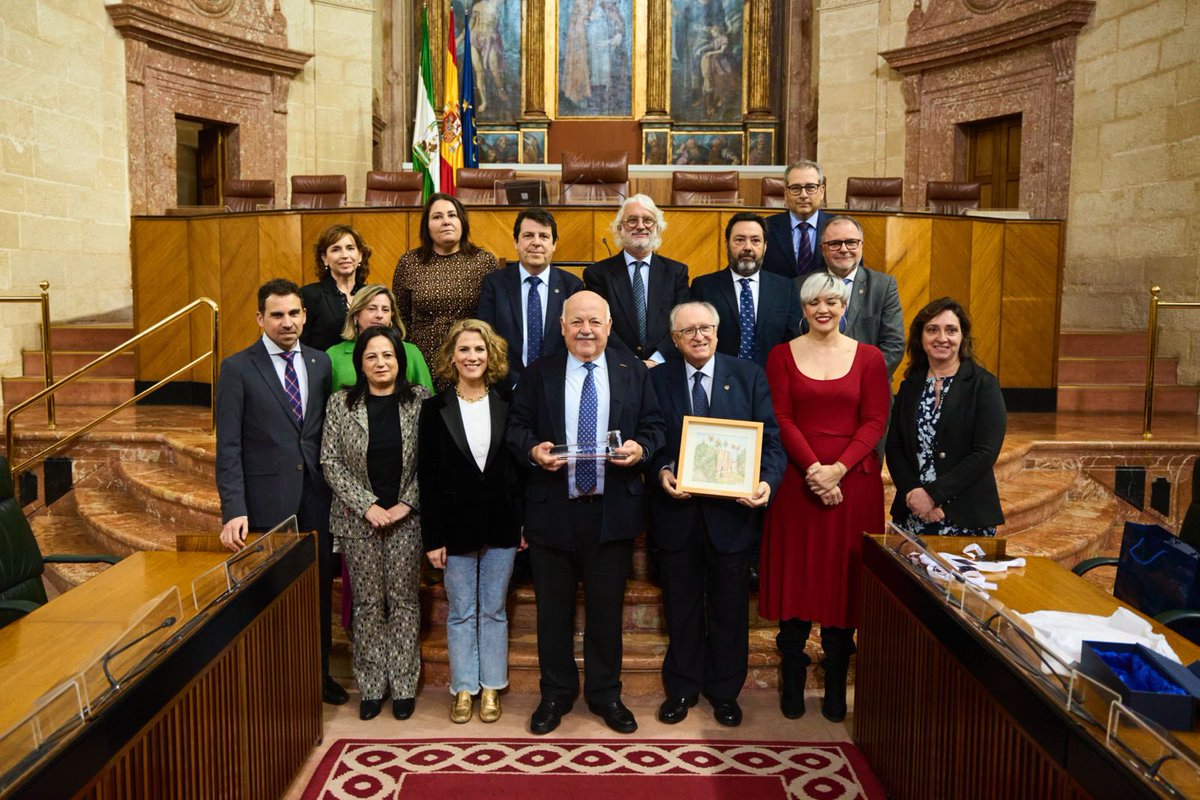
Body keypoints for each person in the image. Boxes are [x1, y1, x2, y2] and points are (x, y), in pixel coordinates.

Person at [506, 290, 665, 736]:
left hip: (611, 512)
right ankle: (555, 694)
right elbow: (516, 428)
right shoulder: (540, 373)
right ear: (562, 327)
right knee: (552, 613)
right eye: (577, 321)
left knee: (605, 612)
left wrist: (641, 448)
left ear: (609, 327)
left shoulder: (632, 370)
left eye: (594, 321)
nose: (586, 330)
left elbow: (654, 426)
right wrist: (534, 450)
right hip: (553, 510)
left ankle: (605, 694)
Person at [760, 272, 890, 723]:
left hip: (854, 485)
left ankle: (837, 678)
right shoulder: (780, 356)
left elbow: (874, 421)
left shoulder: (870, 358)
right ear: (803, 306)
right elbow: (780, 416)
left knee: (843, 585)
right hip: (799, 484)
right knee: (798, 579)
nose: (824, 309)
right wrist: (815, 468)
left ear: (844, 305)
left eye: (833, 301)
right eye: (815, 301)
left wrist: (838, 469)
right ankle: (792, 673)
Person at [648, 302, 786, 727]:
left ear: (718, 331)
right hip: (678, 515)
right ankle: (684, 688)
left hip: (733, 517)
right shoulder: (657, 379)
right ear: (674, 339)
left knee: (729, 609)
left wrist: (765, 483)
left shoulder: (748, 376)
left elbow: (773, 444)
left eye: (706, 328)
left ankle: (725, 692)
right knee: (681, 606)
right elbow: (649, 437)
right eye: (688, 330)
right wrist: (662, 470)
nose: (698, 336)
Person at [215, 278, 347, 706]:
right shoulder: (237, 368)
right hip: (265, 502)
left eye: (294, 313)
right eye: (277, 315)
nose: (287, 322)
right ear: (260, 318)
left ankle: (319, 675)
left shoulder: (319, 363)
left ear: (305, 316)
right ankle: (274, 682)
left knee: (317, 593)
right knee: (272, 596)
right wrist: (233, 508)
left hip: (317, 497)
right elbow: (229, 445)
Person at [320, 326, 429, 722]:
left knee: (401, 602)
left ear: (399, 361)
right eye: (372, 357)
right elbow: (329, 461)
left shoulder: (418, 401)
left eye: (388, 355)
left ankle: (402, 686)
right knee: (366, 605)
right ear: (360, 363)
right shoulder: (340, 404)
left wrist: (405, 505)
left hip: (406, 521)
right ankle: (371, 686)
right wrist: (367, 505)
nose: (381, 363)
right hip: (356, 521)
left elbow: (432, 461)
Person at [418, 319, 523, 724]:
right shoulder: (434, 409)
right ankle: (464, 688)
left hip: (502, 524)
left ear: (490, 355)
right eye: (464, 350)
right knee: (461, 611)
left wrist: (522, 524)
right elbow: (426, 477)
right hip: (453, 526)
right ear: (452, 357)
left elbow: (519, 473)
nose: (472, 357)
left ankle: (492, 686)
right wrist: (433, 537)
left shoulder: (509, 404)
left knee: (494, 610)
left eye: (479, 350)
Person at [886, 298, 1006, 537]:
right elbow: (895, 447)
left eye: (951, 330)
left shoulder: (983, 385)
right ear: (921, 337)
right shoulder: (910, 386)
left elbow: (985, 453)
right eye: (932, 330)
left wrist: (933, 496)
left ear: (962, 337)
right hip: (913, 513)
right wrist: (914, 492)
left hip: (965, 517)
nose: (942, 337)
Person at [476, 208, 583, 388]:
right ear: (516, 242)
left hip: (558, 386)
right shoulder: (495, 284)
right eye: (528, 236)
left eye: (544, 236)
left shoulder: (572, 286)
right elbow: (486, 338)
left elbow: (576, 341)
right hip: (505, 389)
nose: (536, 243)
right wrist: (514, 383)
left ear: (554, 243)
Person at [392, 192, 499, 371]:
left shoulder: (484, 261)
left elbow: (494, 317)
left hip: (469, 359)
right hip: (421, 359)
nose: (446, 221)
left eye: (452, 215)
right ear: (427, 226)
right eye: (437, 217)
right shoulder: (409, 262)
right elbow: (400, 318)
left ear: (462, 221)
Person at [584, 194, 689, 366]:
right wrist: (632, 363)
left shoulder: (676, 273)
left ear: (657, 228)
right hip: (617, 367)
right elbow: (599, 323)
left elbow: (683, 322)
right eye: (632, 220)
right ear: (620, 228)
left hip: (665, 367)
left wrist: (656, 360)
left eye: (648, 220)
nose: (640, 226)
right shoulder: (597, 274)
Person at [690, 212, 802, 367]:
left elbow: (795, 339)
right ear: (727, 244)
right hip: (720, 378)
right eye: (740, 240)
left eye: (755, 241)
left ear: (765, 247)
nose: (748, 247)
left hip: (770, 378)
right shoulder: (704, 286)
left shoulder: (785, 288)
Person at [804, 215, 905, 381]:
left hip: (869, 387)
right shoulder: (802, 285)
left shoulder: (883, 286)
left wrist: (854, 380)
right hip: (816, 386)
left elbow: (894, 345)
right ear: (823, 249)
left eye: (851, 242)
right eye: (835, 243)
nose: (844, 249)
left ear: (861, 245)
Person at [328, 285, 433, 392]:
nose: (379, 315)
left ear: (391, 316)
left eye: (385, 310)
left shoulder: (410, 352)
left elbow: (428, 399)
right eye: (372, 309)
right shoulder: (334, 355)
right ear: (356, 314)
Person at [301, 225, 369, 351]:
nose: (344, 255)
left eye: (350, 248)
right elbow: (302, 343)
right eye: (336, 249)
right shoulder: (310, 295)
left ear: (360, 255)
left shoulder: (371, 295)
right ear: (324, 258)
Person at [762, 161, 834, 280]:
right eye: (795, 188)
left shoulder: (839, 227)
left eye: (811, 187)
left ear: (821, 191)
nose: (803, 195)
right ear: (786, 194)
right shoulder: (766, 227)